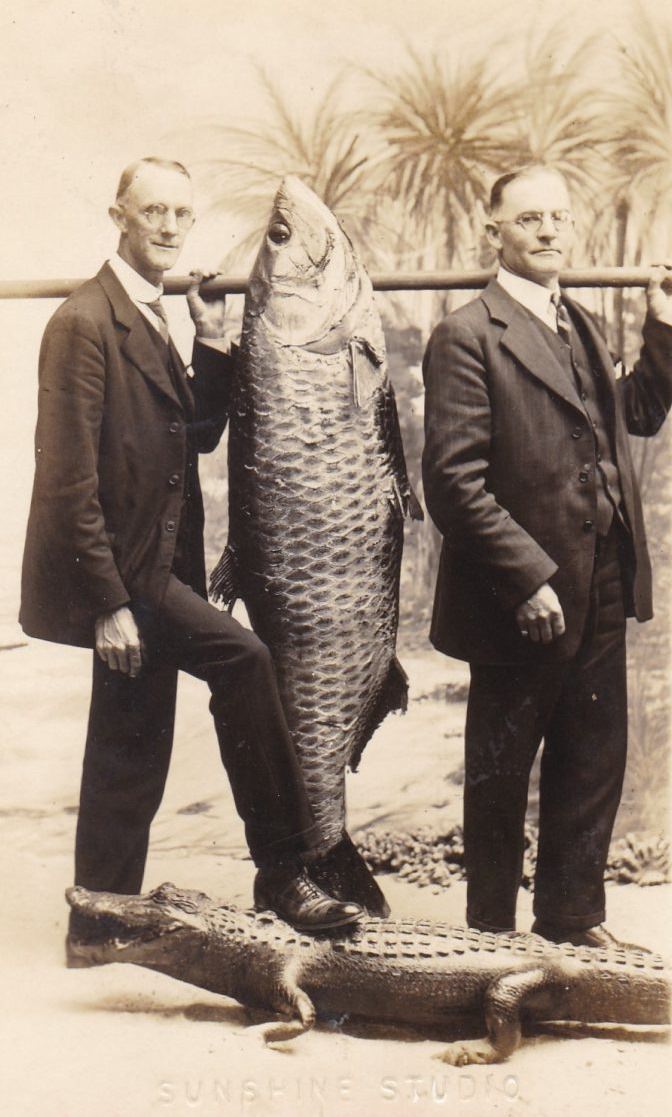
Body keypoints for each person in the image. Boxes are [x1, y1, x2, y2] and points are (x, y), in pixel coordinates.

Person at [20, 157, 363, 951]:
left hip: (156, 567)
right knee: (243, 659)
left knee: (129, 737)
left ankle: (96, 923)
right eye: (153, 213)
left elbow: (195, 435)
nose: (170, 228)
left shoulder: (148, 314)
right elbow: (65, 479)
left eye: (182, 213)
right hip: (125, 572)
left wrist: (210, 342)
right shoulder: (83, 322)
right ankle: (282, 870)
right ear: (118, 216)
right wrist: (108, 603)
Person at [422, 164, 672, 947]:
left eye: (559, 218)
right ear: (493, 230)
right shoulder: (467, 334)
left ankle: (570, 918)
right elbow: (453, 483)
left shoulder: (583, 323)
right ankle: (488, 934)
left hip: (601, 572)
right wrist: (528, 577)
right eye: (530, 219)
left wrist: (662, 326)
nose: (550, 232)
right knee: (502, 769)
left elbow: (635, 412)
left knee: (593, 754)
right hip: (519, 595)